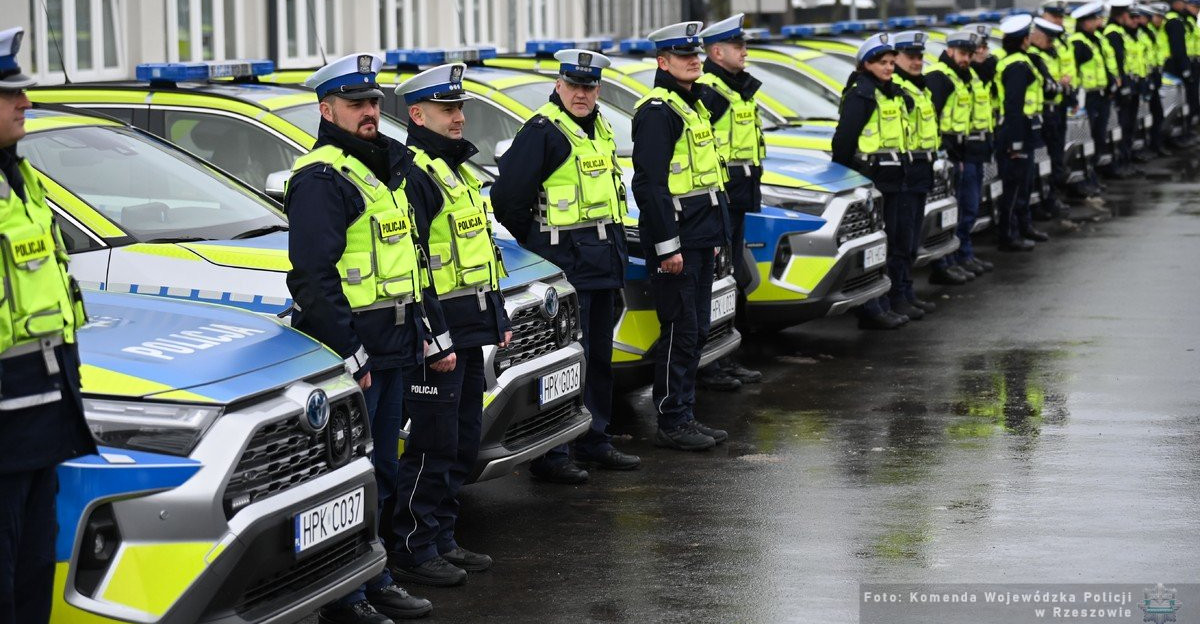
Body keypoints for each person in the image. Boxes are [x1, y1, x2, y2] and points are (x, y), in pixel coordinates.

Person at [287, 52, 440, 624]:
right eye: (355, 104)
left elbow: (407, 262)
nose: (369, 111)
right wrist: (350, 353)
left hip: (393, 346)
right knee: (350, 477)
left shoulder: (380, 169)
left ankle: (377, 577)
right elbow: (312, 277)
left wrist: (421, 331)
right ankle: (345, 598)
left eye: (373, 101)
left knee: (384, 471)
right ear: (327, 111)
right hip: (356, 356)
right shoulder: (322, 178)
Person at [491, 49, 641, 484]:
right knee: (562, 364)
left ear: (598, 90)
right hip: (565, 268)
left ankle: (595, 439)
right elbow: (507, 200)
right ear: (558, 85)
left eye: (589, 87)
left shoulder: (600, 128)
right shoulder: (543, 131)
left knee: (598, 359)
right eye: (574, 86)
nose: (581, 94)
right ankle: (552, 454)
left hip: (602, 263)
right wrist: (539, 247)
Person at [391, 63, 512, 586]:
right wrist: (434, 338)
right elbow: (414, 268)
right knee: (432, 445)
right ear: (418, 116)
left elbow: (481, 254)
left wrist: (497, 314)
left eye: (459, 108)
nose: (458, 117)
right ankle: (414, 548)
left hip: (469, 329)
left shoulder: (455, 171)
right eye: (447, 110)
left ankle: (442, 536)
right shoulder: (415, 175)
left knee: (461, 441)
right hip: (439, 338)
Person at [0, 26, 97, 624]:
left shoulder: (21, 178)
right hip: (6, 423)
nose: (25, 102)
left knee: (35, 570)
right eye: (10, 93)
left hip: (42, 413)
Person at [631, 21, 731, 451]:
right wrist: (667, 246)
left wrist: (715, 235)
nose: (694, 61)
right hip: (677, 243)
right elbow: (650, 186)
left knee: (697, 330)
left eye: (695, 54)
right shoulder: (659, 112)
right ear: (662, 62)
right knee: (680, 331)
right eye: (683, 56)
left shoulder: (692, 105)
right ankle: (672, 421)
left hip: (701, 235)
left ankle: (684, 413)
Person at [695, 13, 765, 391]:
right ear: (717, 52)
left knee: (731, 279)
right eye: (738, 46)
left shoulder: (735, 89)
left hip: (737, 198)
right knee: (718, 283)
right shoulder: (710, 92)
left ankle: (726, 357)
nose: (745, 52)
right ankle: (711, 364)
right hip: (719, 201)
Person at [831, 33, 912, 330]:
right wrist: (848, 180)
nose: (889, 67)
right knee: (873, 247)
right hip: (871, 181)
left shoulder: (890, 92)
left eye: (891, 62)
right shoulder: (861, 94)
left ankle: (886, 301)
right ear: (866, 64)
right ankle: (871, 308)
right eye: (882, 63)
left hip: (893, 179)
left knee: (892, 243)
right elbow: (843, 141)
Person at [926, 29, 995, 286]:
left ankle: (962, 255)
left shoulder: (966, 75)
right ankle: (945, 263)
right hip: (949, 154)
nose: (967, 58)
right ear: (950, 51)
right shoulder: (939, 76)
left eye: (970, 54)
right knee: (951, 212)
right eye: (962, 53)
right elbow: (932, 120)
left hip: (967, 151)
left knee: (967, 208)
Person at [890, 30, 944, 319]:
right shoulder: (897, 89)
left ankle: (906, 291)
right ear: (896, 57)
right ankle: (897, 296)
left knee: (911, 240)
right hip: (906, 173)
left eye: (920, 56)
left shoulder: (919, 88)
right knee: (901, 241)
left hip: (921, 170)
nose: (917, 61)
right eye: (910, 56)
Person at [994, 14, 1045, 252]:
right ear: (1024, 39)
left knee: (1024, 183)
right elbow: (1013, 106)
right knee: (1014, 186)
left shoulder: (1019, 60)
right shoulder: (1016, 66)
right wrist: (1015, 143)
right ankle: (1009, 235)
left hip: (1023, 129)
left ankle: (1023, 226)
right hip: (1016, 131)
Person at [1028, 17, 1071, 222]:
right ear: (1036, 36)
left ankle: (1051, 197)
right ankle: (1043, 201)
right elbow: (1048, 87)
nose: (1052, 43)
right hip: (1043, 112)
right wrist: (1059, 85)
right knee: (1043, 160)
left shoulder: (1051, 53)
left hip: (1056, 110)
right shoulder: (1034, 56)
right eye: (1049, 39)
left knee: (1054, 158)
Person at [1071, 2, 1120, 181]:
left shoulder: (1096, 38)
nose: (1097, 22)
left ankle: (1096, 172)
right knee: (1089, 137)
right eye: (1094, 19)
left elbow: (1104, 65)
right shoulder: (1078, 42)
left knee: (1100, 134)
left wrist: (1111, 84)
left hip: (1101, 93)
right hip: (1087, 96)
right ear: (1084, 22)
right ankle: (1089, 175)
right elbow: (1074, 71)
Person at [1104, 0, 1145, 174]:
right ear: (1122, 14)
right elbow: (1118, 63)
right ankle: (1119, 163)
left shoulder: (1121, 31)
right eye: (1130, 14)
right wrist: (1123, 86)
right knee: (1122, 126)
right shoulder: (1113, 33)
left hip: (1130, 83)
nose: (1134, 19)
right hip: (1122, 86)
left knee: (1129, 126)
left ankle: (1126, 160)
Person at [1143, 3, 1174, 156]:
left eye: (1162, 17)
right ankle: (1151, 146)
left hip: (1155, 77)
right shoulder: (1145, 32)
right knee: (1145, 116)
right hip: (1145, 78)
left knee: (1158, 114)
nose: (1160, 20)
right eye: (1157, 17)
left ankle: (1156, 145)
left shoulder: (1156, 31)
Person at [1164, 0, 1196, 141]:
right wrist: (1185, 68)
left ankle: (1184, 131)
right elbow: (1179, 49)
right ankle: (1180, 133)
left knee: (1186, 101)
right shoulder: (1174, 21)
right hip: (1176, 67)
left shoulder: (1181, 18)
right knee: (1183, 101)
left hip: (1182, 64)